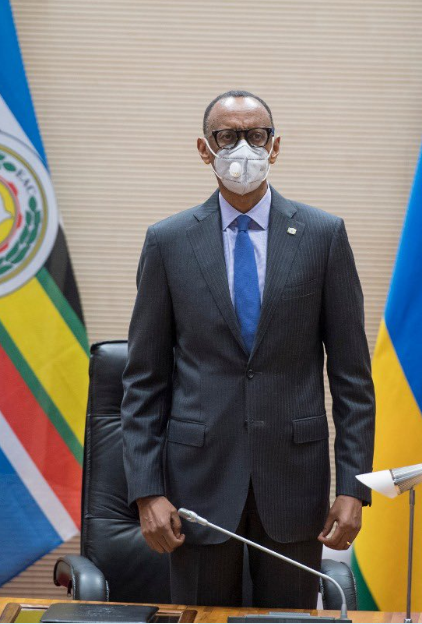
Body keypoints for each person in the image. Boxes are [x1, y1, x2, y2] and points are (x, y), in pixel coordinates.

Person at [121, 90, 375, 609]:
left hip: (294, 483)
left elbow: (352, 380)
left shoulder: (323, 236)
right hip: (197, 486)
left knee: (289, 622)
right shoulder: (168, 241)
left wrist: (353, 487)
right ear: (204, 149)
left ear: (274, 146)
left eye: (256, 136)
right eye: (227, 136)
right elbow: (144, 380)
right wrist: (147, 491)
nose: (243, 148)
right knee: (200, 619)